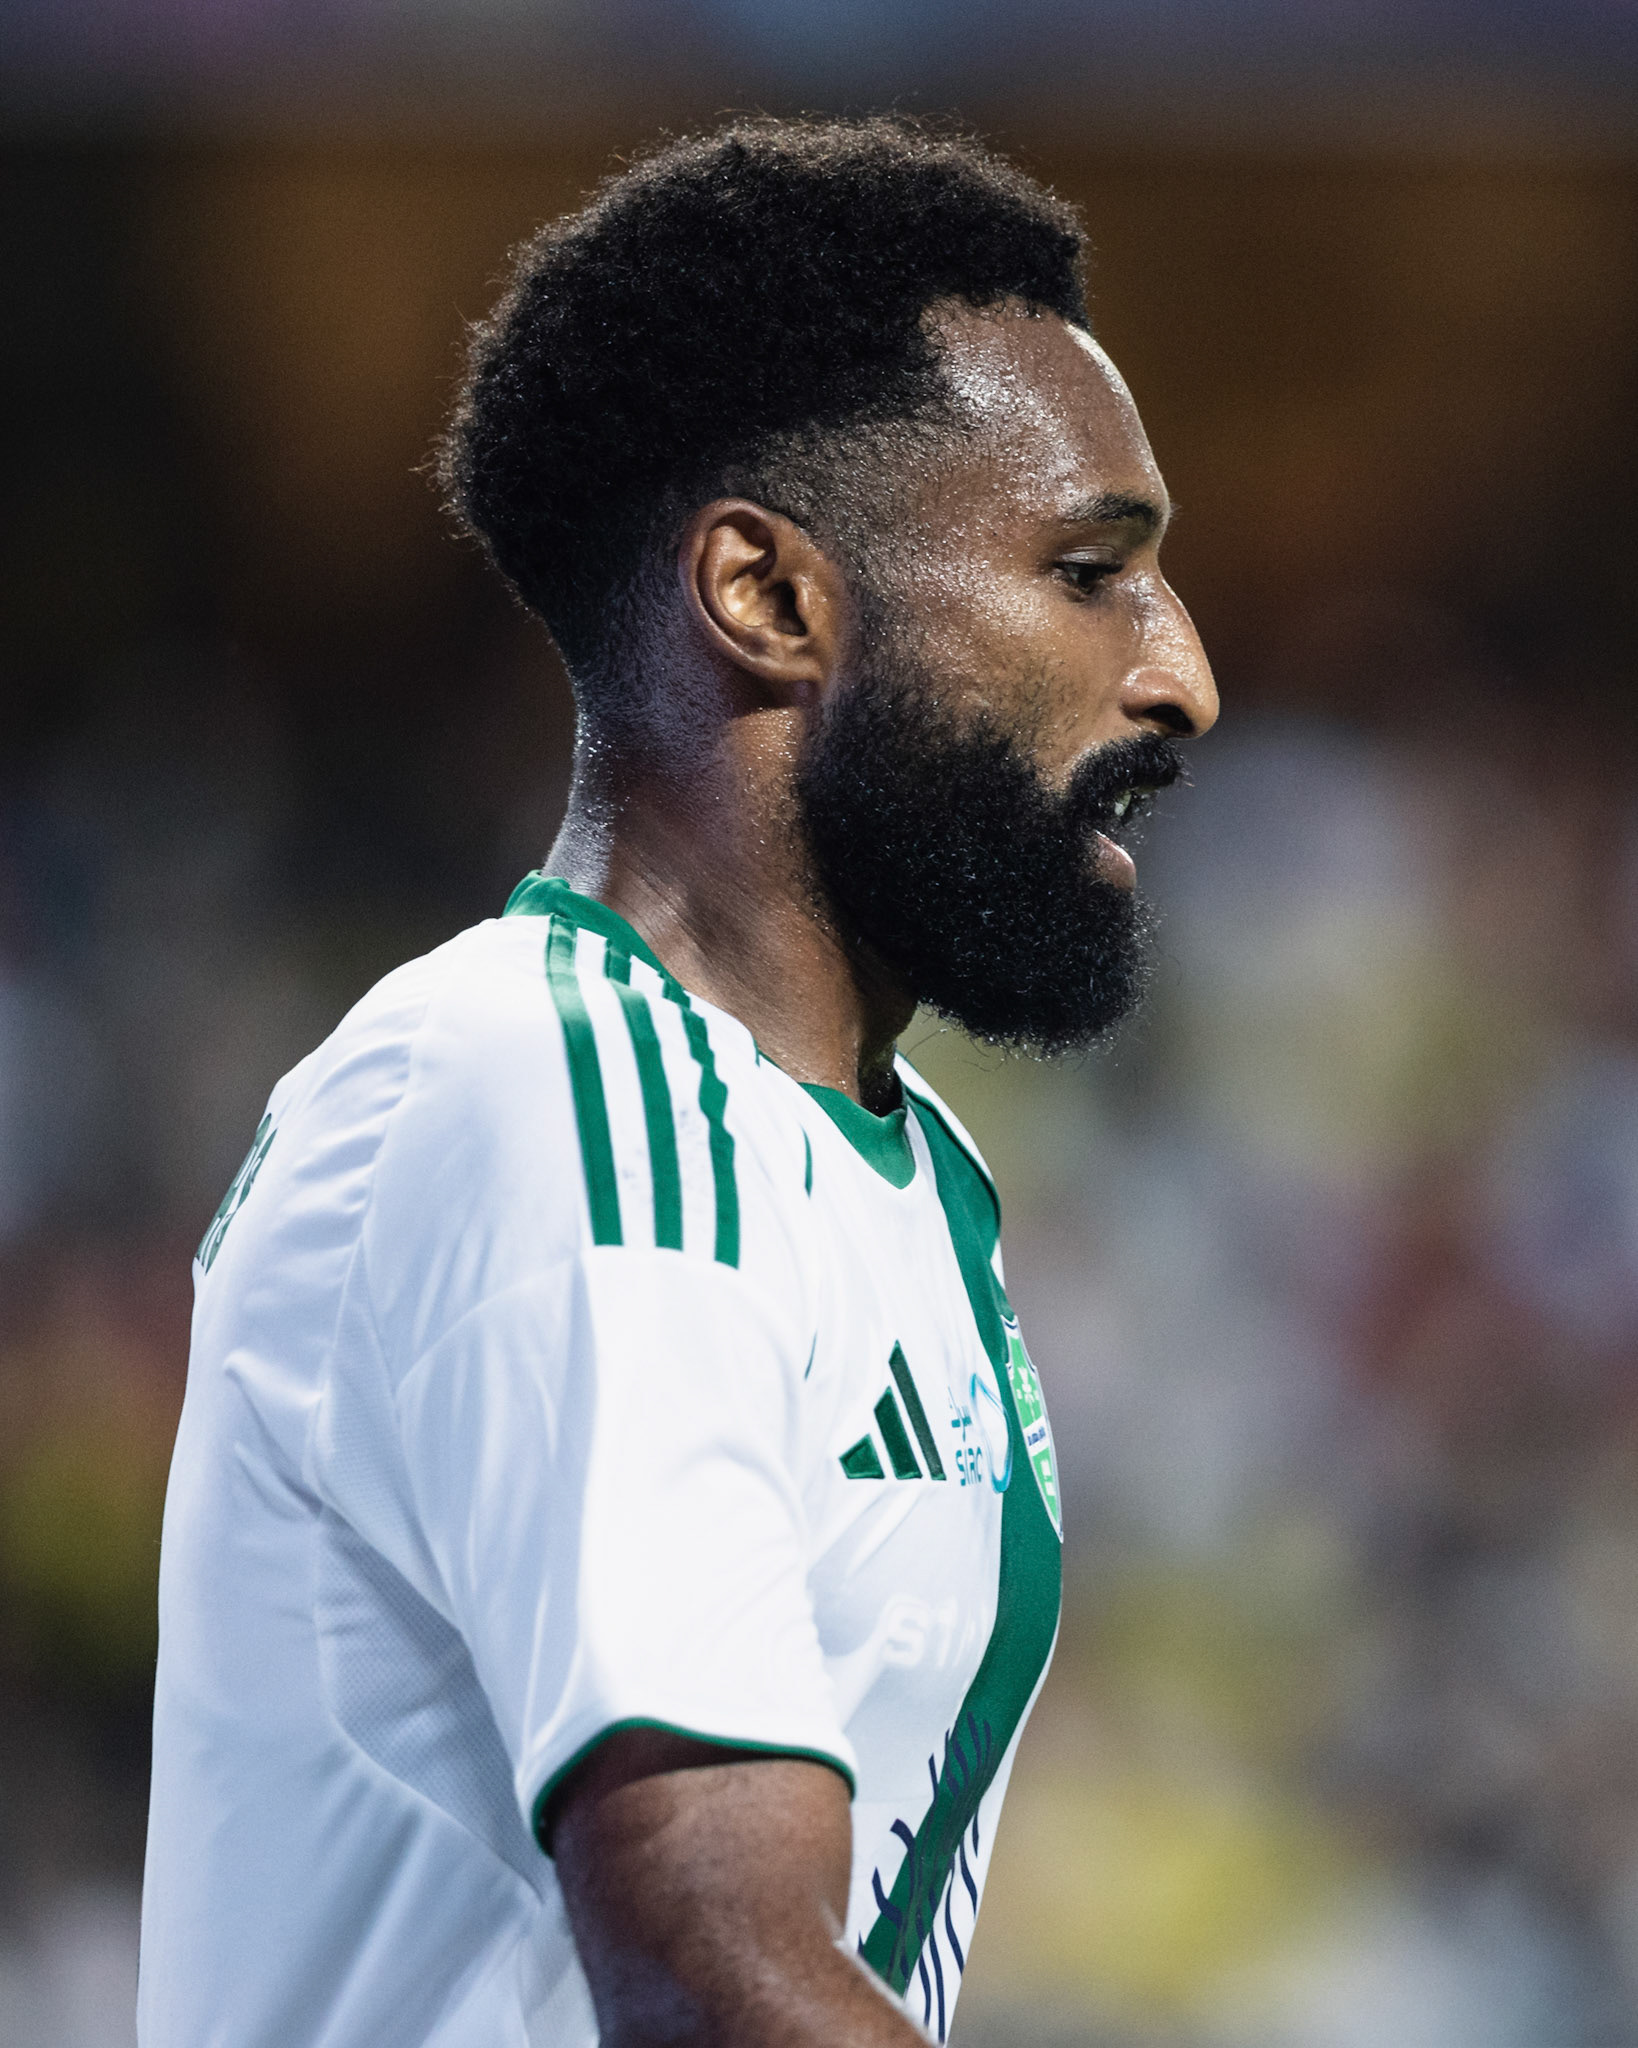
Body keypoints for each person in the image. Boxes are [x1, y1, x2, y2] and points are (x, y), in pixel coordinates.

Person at [137, 115, 1216, 2048]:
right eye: (1087, 573)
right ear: (767, 594)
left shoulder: (886, 1161)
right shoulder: (560, 1087)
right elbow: (719, 1976)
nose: (1180, 677)